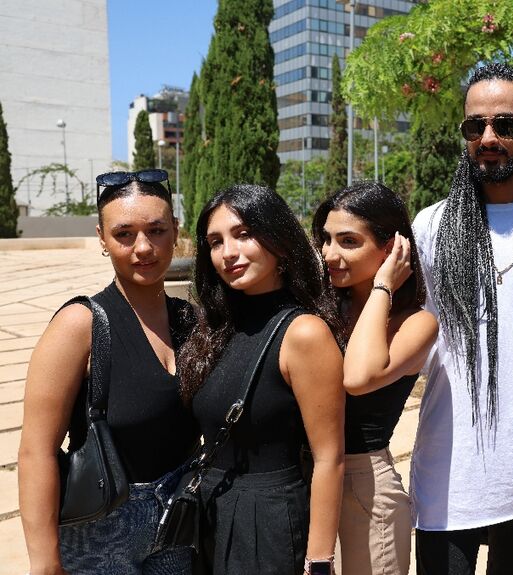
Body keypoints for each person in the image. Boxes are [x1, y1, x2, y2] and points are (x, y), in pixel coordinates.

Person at [410, 62, 513, 575]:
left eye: (505, 124)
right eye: (474, 126)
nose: (488, 137)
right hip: (446, 476)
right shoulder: (430, 227)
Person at [19, 169, 200, 575]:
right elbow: (36, 452)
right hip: (103, 529)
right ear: (102, 238)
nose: (143, 247)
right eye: (124, 234)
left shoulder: (191, 320)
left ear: (175, 230)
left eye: (156, 230)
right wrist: (44, 562)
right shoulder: (80, 324)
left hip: (179, 517)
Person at [177, 184, 345, 575]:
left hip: (266, 521)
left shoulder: (303, 333)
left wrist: (319, 562)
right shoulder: (215, 327)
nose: (228, 253)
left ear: (280, 241)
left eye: (243, 234)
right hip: (209, 512)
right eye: (215, 242)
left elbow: (328, 457)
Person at [312, 181, 438, 575]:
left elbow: (359, 375)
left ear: (391, 248)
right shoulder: (324, 308)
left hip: (364, 487)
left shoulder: (417, 323)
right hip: (308, 480)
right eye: (326, 240)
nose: (330, 254)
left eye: (348, 241)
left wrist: (382, 284)